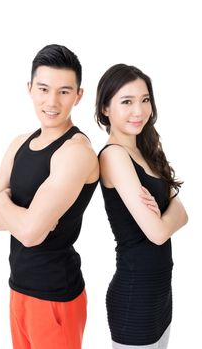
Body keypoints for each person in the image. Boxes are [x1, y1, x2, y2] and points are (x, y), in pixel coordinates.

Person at [0, 44, 99, 349]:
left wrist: (4, 202)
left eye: (64, 91)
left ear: (78, 95)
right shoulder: (19, 143)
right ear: (30, 88)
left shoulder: (76, 153)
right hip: (18, 289)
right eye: (44, 89)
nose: (52, 102)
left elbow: (30, 233)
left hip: (55, 296)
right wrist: (27, 219)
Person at [95, 64, 188, 348]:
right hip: (135, 298)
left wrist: (167, 216)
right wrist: (167, 216)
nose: (139, 110)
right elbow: (158, 233)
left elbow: (183, 213)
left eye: (145, 99)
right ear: (105, 109)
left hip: (161, 294)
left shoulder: (146, 151)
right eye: (127, 101)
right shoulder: (114, 156)